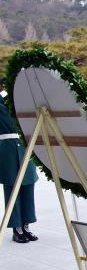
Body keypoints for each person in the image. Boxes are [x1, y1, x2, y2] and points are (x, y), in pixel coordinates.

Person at [0, 81, 39, 243]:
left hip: (24, 146)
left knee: (29, 184)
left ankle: (26, 225)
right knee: (12, 187)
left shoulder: (17, 100)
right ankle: (17, 228)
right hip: (7, 149)